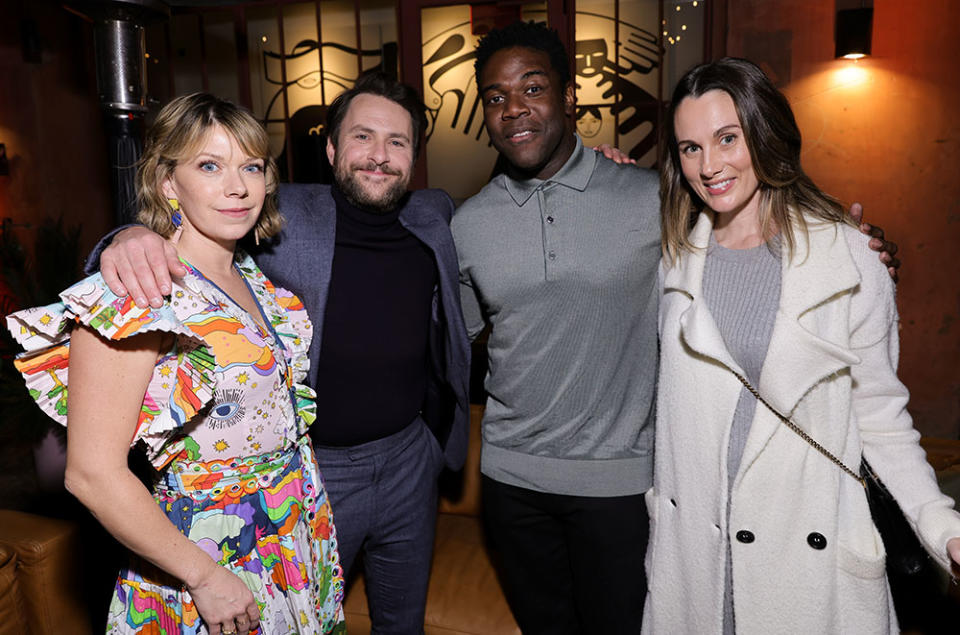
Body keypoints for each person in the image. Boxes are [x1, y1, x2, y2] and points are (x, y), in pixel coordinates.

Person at [452, 21, 901, 635]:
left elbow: (750, 217)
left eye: (533, 88)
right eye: (496, 97)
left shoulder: (650, 198)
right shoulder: (469, 224)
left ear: (568, 97)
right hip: (510, 483)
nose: (514, 109)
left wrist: (851, 245)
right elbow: (451, 336)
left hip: (621, 483)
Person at [90, 73, 470, 634]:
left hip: (410, 461)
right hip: (315, 471)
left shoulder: (432, 215)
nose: (380, 156)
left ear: (414, 158)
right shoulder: (282, 210)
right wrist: (125, 239)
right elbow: (191, 213)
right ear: (332, 147)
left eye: (398, 142)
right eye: (363, 137)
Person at [6, 94, 344, 634]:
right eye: (210, 166)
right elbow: (92, 474)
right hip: (204, 555)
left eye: (250, 167)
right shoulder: (134, 297)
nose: (238, 187)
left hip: (292, 540)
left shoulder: (257, 281)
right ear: (168, 183)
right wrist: (204, 577)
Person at [647, 56, 960, 634]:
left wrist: (943, 524)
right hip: (699, 559)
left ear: (765, 134)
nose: (708, 165)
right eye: (690, 148)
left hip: (804, 560)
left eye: (726, 139)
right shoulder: (673, 258)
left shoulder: (849, 260)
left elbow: (881, 418)